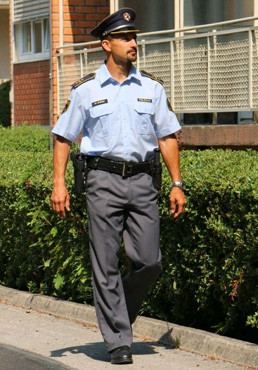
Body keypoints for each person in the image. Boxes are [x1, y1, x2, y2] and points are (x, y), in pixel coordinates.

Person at [50, 8, 186, 365]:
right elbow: (63, 137)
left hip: (143, 180)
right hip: (102, 180)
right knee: (106, 262)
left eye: (135, 37)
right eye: (126, 38)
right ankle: (118, 342)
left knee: (149, 261)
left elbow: (168, 136)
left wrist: (177, 183)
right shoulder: (85, 90)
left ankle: (117, 315)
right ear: (106, 44)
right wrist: (59, 184)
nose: (134, 43)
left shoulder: (153, 87)